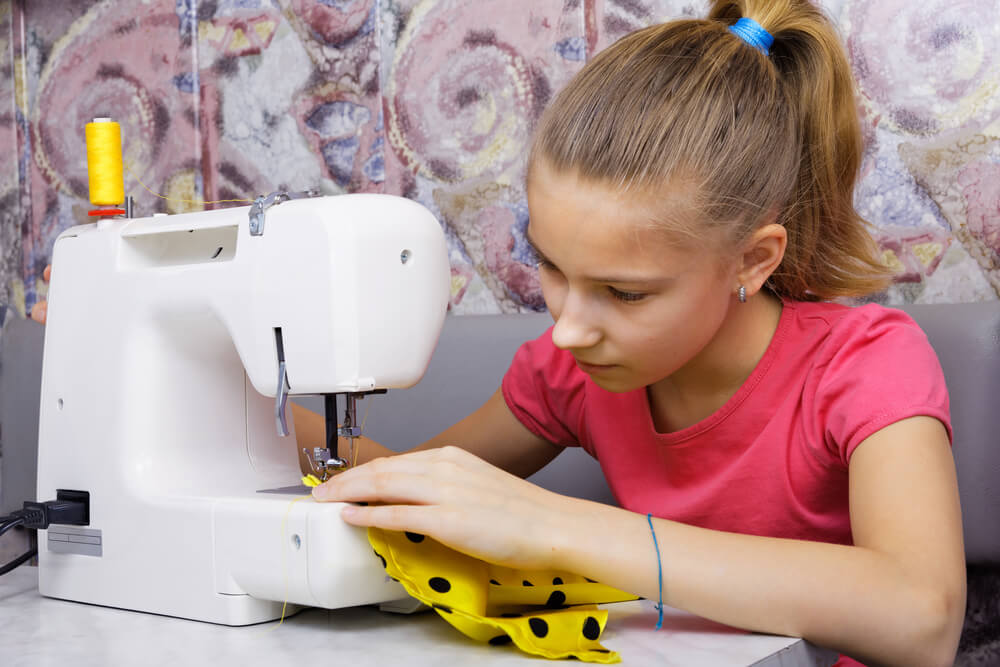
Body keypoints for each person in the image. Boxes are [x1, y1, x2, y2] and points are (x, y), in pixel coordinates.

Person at [293, 2, 966, 666]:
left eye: (625, 293)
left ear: (752, 261)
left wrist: (553, 526)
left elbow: (922, 618)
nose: (568, 331)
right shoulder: (570, 374)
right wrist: (230, 405)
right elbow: (403, 493)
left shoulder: (866, 364)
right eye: (550, 265)